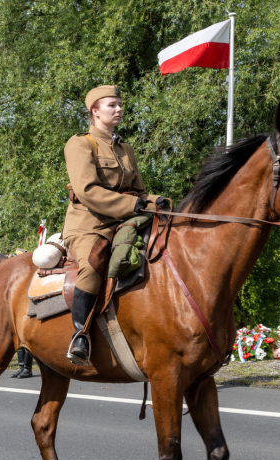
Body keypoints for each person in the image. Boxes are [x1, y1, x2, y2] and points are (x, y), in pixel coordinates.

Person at [62, 85, 169, 365]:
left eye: (120, 104)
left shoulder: (125, 149)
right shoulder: (81, 144)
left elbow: (139, 191)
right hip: (90, 225)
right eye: (112, 105)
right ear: (94, 111)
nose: (119, 109)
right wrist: (131, 205)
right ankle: (80, 335)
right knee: (93, 264)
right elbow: (87, 191)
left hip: (126, 221)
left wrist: (161, 202)